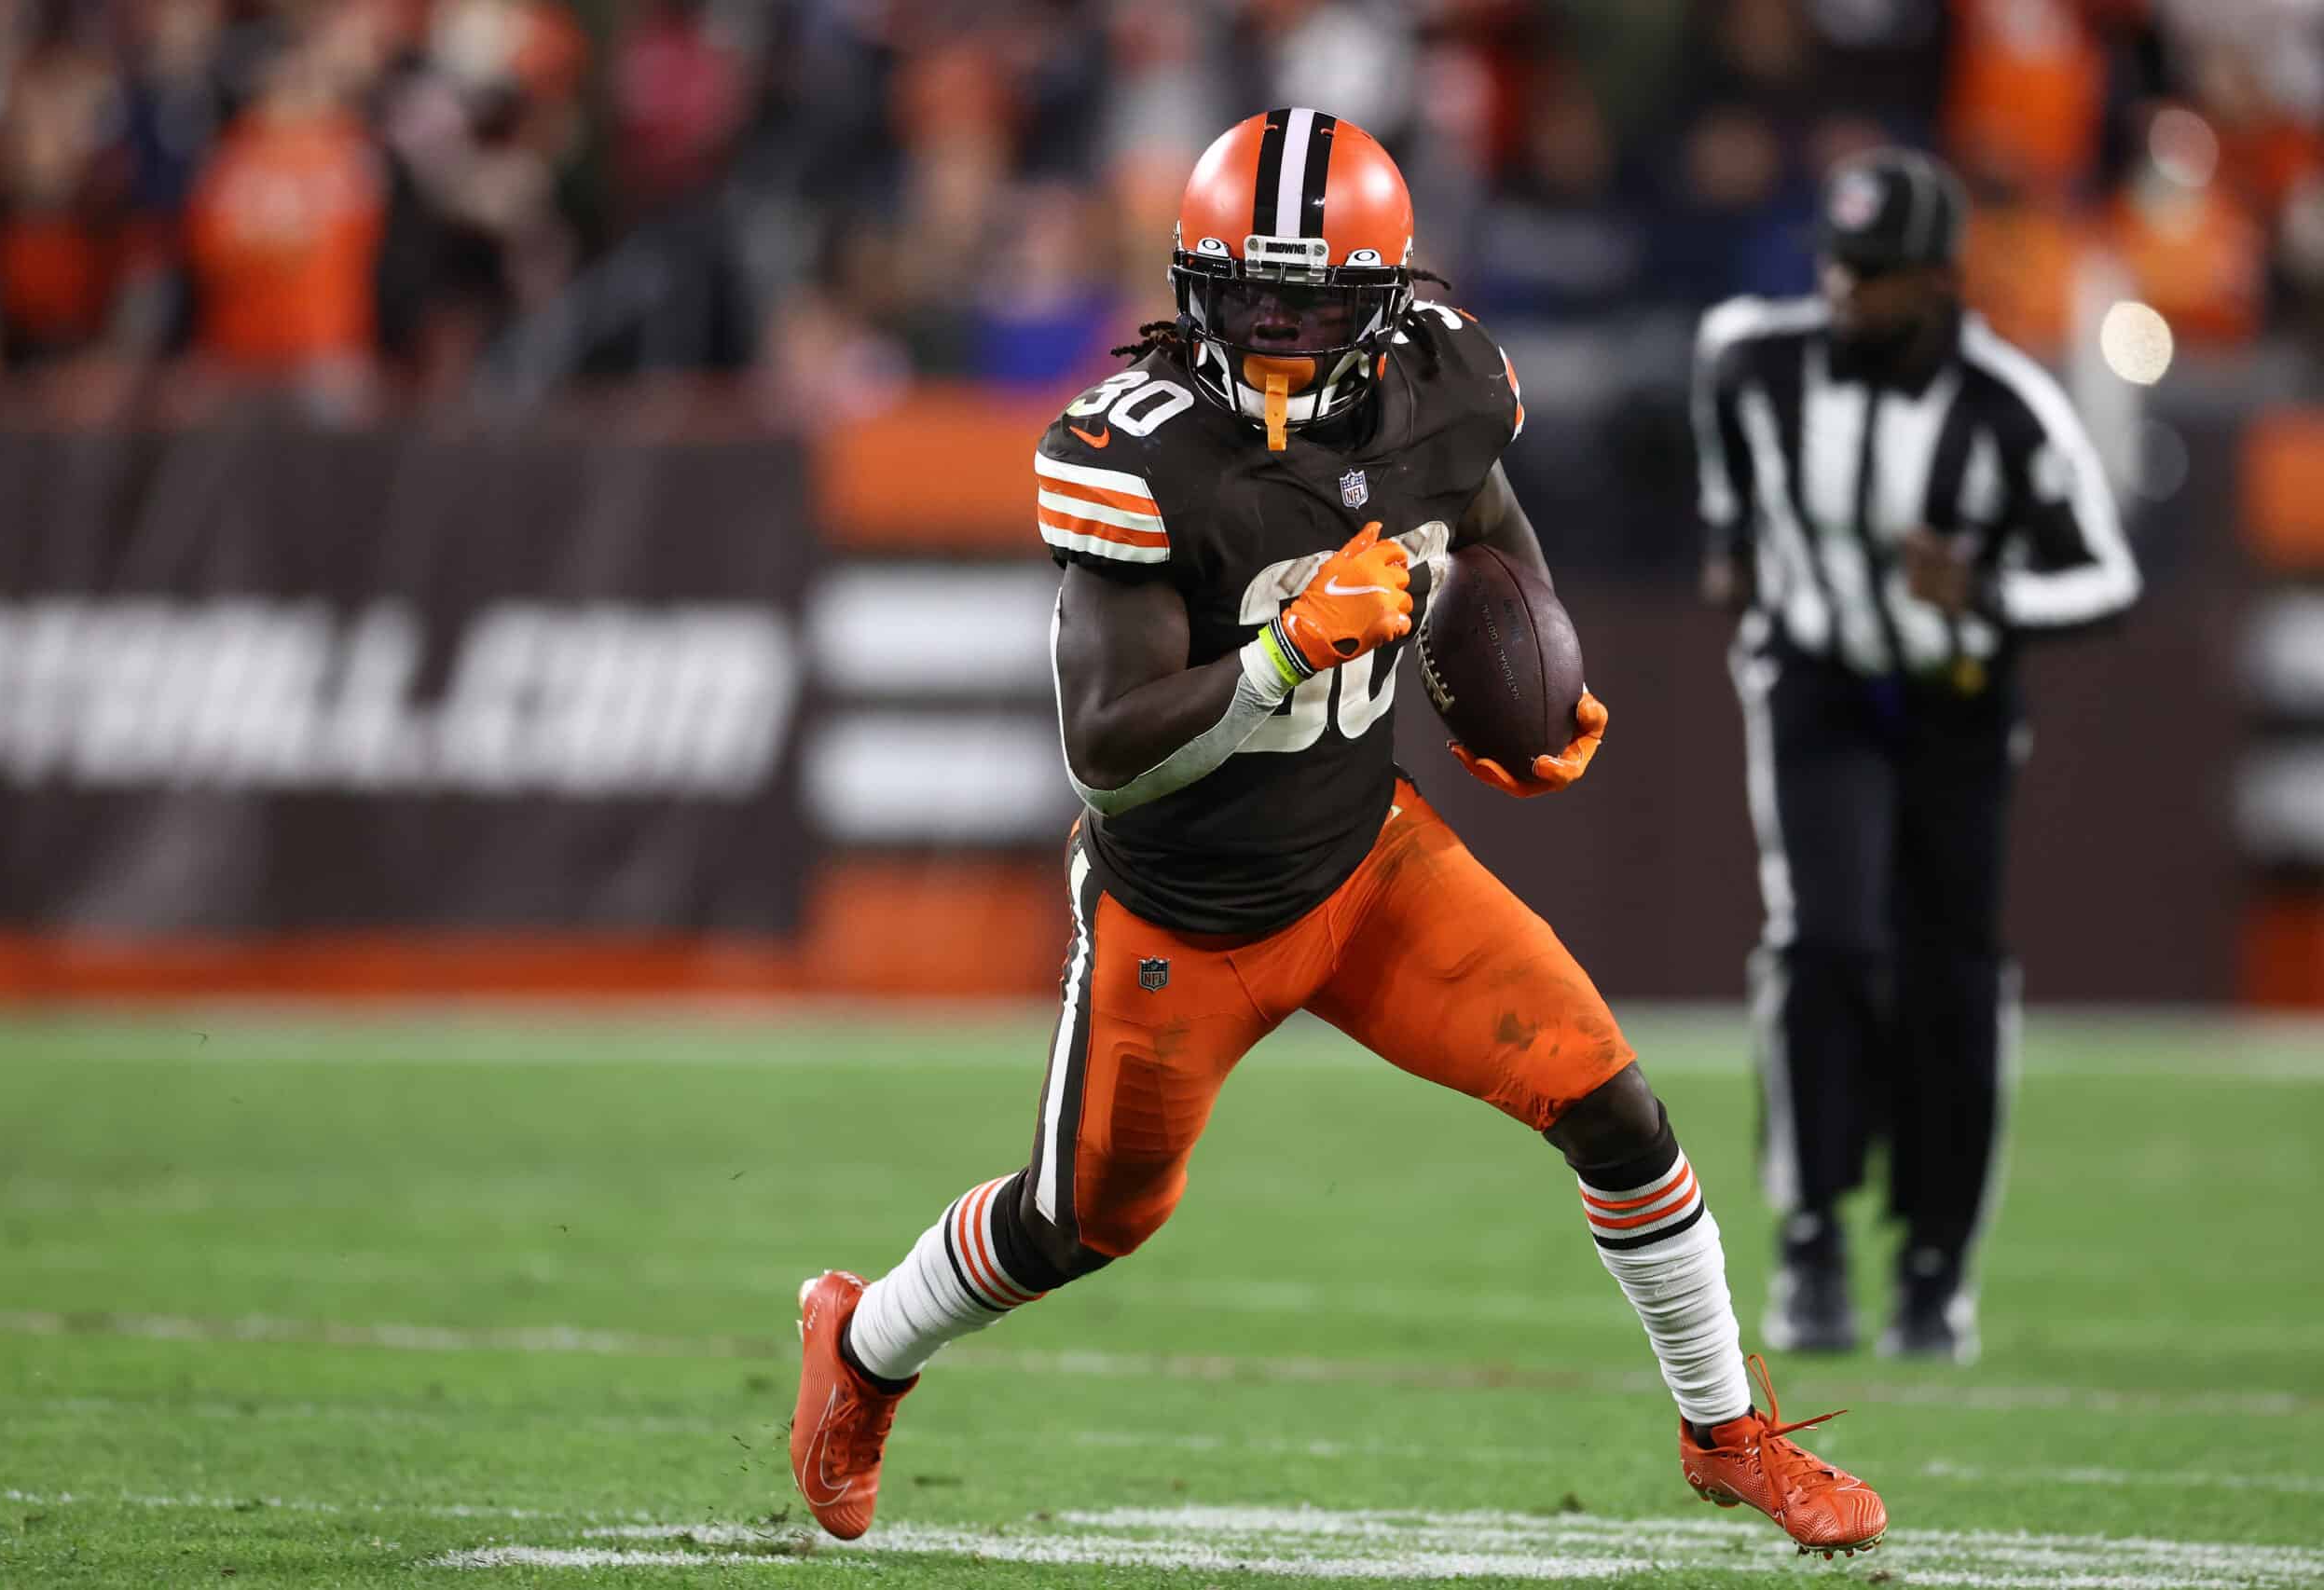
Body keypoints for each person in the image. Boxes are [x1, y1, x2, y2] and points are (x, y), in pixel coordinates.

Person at [790, 109, 1888, 1558]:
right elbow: (1106, 753)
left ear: (1385, 304)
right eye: (1246, 297)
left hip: (1370, 865)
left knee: (1611, 1100)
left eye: (1311, 301)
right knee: (1081, 1221)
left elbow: (1485, 518)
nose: (1278, 333)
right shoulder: (1141, 455)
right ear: (1191, 290)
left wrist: (1532, 685)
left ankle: (1725, 1424)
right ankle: (863, 1347)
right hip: (1184, 913)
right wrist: (1284, 653)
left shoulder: (1442, 380)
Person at [1690, 148, 2140, 1363]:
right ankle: (1815, 1237)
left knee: (1953, 974)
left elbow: (2109, 576)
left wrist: (1988, 592)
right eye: (1838, 266)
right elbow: (1719, 385)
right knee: (1826, 941)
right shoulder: (1757, 360)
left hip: (1954, 700)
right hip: (1819, 682)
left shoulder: (2008, 407)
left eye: (1878, 275)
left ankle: (1936, 1262)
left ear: (1941, 280)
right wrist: (1729, 531)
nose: (1848, 294)